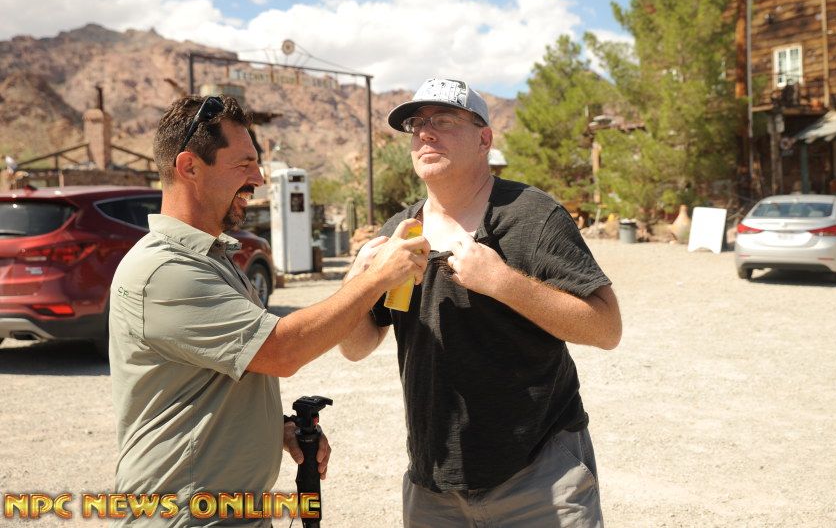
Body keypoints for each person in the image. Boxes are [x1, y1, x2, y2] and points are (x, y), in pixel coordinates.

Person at [109, 95, 428, 526]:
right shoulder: (164, 271)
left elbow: (212, 380)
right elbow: (281, 351)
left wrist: (275, 429)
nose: (258, 178)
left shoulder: (212, 258)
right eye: (244, 164)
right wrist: (375, 278)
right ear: (189, 167)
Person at [340, 78, 622, 527]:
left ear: (484, 139)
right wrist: (357, 280)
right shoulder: (400, 232)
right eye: (417, 125)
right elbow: (356, 346)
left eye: (444, 121)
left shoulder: (532, 215)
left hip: (539, 477)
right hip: (433, 487)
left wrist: (502, 282)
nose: (426, 133)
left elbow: (606, 328)